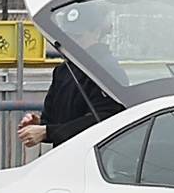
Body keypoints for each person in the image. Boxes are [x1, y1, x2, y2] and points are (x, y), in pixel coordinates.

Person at [18, 18, 122, 150]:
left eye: (78, 36)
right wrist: (39, 123)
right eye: (68, 36)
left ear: (97, 32)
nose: (72, 41)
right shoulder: (64, 70)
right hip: (64, 155)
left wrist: (47, 131)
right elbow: (54, 118)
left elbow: (104, 119)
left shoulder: (106, 70)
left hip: (92, 157)